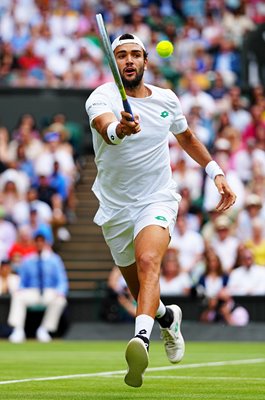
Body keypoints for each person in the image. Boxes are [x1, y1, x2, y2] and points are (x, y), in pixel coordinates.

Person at [85, 33, 236, 388]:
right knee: (140, 289)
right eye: (121, 56)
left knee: (149, 262)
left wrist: (216, 172)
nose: (128, 61)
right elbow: (105, 128)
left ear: (145, 62)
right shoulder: (101, 97)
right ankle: (168, 317)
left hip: (157, 197)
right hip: (115, 207)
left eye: (135, 55)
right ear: (114, 63)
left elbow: (186, 138)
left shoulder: (167, 99)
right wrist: (121, 130)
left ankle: (141, 339)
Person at [8, 230, 68, 343]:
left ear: (46, 243)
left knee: (60, 300)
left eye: (42, 241)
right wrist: (20, 289)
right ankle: (18, 330)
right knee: (17, 296)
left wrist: (60, 292)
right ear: (34, 243)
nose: (39, 243)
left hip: (49, 292)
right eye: (37, 241)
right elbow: (22, 281)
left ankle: (44, 330)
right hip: (32, 291)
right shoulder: (27, 260)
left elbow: (62, 280)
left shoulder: (55, 260)